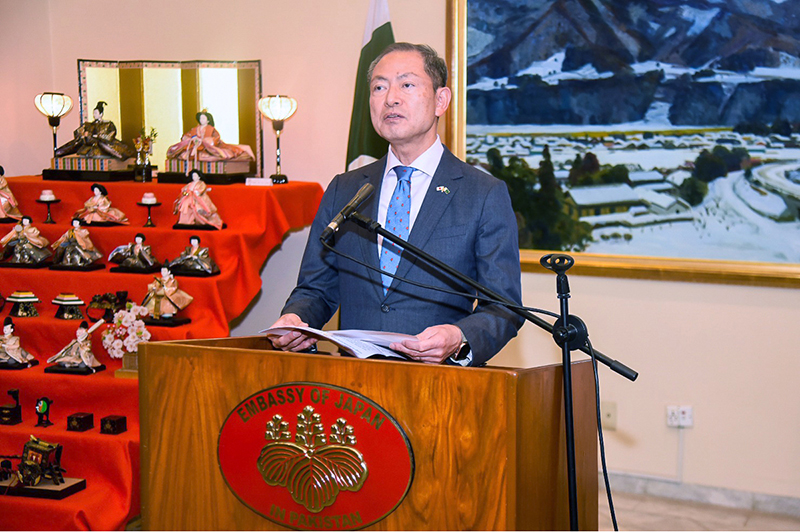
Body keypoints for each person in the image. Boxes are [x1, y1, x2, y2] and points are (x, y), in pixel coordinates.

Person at [267, 43, 523, 367]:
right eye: (379, 87)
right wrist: (295, 317)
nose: (390, 98)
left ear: (441, 100)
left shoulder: (482, 193)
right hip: (353, 390)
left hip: (440, 385)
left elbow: (503, 307)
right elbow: (316, 289)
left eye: (407, 84)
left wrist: (458, 337)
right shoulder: (344, 189)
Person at [55, 101, 135, 160]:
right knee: (75, 143)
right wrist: (83, 134)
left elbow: (110, 135)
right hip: (89, 144)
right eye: (94, 113)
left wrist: (98, 136)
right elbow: (78, 132)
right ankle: (58, 153)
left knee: (106, 146)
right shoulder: (88, 124)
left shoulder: (108, 124)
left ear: (101, 114)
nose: (94, 115)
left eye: (96, 113)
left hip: (102, 143)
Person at [166, 109, 253, 162]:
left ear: (208, 120)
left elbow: (215, 138)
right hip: (194, 147)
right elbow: (186, 136)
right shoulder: (195, 129)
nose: (201, 120)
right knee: (183, 154)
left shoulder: (211, 129)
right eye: (200, 118)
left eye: (203, 118)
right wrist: (190, 139)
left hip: (206, 148)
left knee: (214, 154)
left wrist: (205, 141)